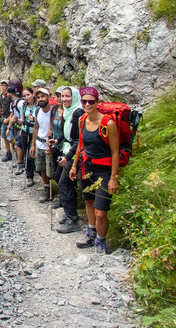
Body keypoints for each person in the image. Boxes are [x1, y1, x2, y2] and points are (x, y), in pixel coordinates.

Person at [70, 87, 120, 254]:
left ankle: (101, 240)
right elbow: (81, 145)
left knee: (101, 212)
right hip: (87, 167)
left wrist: (114, 178)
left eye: (91, 101)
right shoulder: (82, 120)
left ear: (98, 102)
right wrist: (74, 165)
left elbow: (115, 152)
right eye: (84, 101)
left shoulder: (108, 124)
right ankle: (91, 233)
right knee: (89, 202)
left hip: (104, 171)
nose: (87, 104)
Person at [56, 87, 85, 234]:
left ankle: (73, 219)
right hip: (67, 151)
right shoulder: (68, 112)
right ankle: (69, 211)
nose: (65, 99)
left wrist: (68, 157)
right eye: (63, 96)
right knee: (60, 179)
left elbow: (79, 140)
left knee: (64, 183)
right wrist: (55, 141)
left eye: (68, 96)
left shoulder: (78, 112)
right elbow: (64, 132)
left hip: (74, 155)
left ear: (74, 97)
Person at [30, 88, 53, 203]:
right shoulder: (37, 111)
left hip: (51, 145)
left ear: (48, 97)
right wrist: (33, 145)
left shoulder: (54, 111)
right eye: (38, 97)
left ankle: (56, 190)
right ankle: (47, 188)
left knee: (52, 170)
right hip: (39, 143)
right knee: (41, 168)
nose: (40, 99)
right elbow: (36, 127)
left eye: (43, 96)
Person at [18, 87, 37, 186]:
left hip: (35, 132)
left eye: (28, 95)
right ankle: (29, 176)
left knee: (31, 155)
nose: (26, 97)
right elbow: (22, 120)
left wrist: (34, 120)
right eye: (24, 96)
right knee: (26, 152)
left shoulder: (38, 106)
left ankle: (32, 172)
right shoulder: (23, 106)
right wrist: (17, 121)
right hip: (25, 131)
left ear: (32, 94)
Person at [8, 88, 25, 175]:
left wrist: (22, 129)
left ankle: (20, 164)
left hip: (20, 127)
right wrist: (9, 128)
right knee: (17, 145)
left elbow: (22, 117)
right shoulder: (13, 104)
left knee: (17, 146)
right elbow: (12, 116)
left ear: (11, 93)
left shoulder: (20, 103)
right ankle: (20, 161)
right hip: (16, 127)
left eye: (8, 93)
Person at [0, 81, 14, 162]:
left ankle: (15, 153)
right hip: (3, 118)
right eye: (2, 85)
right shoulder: (0, 96)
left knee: (10, 138)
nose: (3, 87)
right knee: (4, 137)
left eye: (5, 85)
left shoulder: (10, 96)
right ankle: (8, 153)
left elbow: (13, 109)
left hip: (10, 118)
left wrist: (8, 119)